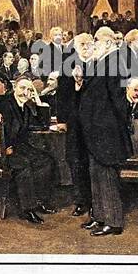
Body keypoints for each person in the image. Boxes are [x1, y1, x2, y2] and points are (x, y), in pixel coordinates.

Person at [78, 27, 132, 237]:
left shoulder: (115, 62)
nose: (93, 44)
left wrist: (115, 125)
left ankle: (114, 221)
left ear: (108, 43)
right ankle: (100, 217)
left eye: (97, 40)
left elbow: (118, 100)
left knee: (106, 176)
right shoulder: (103, 61)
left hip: (106, 131)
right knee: (96, 174)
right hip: (96, 131)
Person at [0, 77, 59, 224]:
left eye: (29, 90)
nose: (25, 92)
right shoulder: (3, 101)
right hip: (4, 150)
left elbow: (42, 124)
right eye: (22, 88)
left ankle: (41, 201)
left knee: (47, 161)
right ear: (15, 87)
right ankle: (27, 209)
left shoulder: (27, 107)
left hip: (20, 147)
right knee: (24, 165)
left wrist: (38, 102)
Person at [54, 41, 93, 217]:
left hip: (92, 123)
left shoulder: (97, 65)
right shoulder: (67, 65)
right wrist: (62, 120)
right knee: (75, 160)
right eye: (82, 45)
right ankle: (80, 201)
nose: (86, 48)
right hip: (74, 122)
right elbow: (61, 96)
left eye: (89, 45)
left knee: (92, 162)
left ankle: (94, 201)